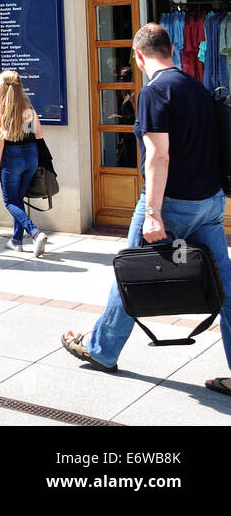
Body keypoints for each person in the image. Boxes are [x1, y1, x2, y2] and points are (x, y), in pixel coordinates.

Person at [62, 24, 231, 393]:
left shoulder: (155, 92)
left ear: (138, 56)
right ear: (171, 49)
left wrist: (153, 212)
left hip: (171, 203)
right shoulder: (197, 88)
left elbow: (158, 155)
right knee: (226, 288)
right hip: (210, 202)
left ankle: (101, 349)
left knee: (132, 271)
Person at [0, 70, 50, 256]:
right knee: (18, 198)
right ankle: (16, 240)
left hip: (12, 156)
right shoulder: (27, 107)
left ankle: (35, 233)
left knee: (10, 201)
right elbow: (38, 133)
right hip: (31, 155)